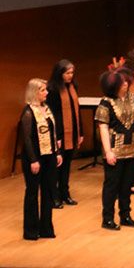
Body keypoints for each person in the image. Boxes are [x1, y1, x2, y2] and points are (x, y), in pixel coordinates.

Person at [96, 70, 134, 230]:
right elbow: (103, 127)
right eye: (122, 82)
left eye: (127, 81)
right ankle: (107, 218)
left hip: (131, 147)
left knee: (127, 185)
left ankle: (125, 215)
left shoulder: (133, 98)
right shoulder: (106, 102)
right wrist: (108, 151)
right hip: (114, 148)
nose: (126, 84)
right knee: (112, 185)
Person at [19, 78, 61, 240]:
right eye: (43, 90)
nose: (47, 92)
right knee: (32, 193)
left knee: (48, 191)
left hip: (49, 156)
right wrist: (33, 160)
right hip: (34, 158)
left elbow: (53, 133)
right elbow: (27, 139)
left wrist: (57, 153)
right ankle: (31, 230)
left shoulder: (47, 109)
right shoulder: (28, 112)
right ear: (35, 92)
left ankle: (46, 229)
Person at [44, 60, 82, 208]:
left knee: (66, 165)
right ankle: (54, 196)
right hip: (59, 134)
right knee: (56, 167)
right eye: (67, 73)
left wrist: (81, 132)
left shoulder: (73, 87)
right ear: (59, 73)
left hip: (72, 132)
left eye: (72, 72)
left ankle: (64, 193)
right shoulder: (52, 89)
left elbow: (76, 111)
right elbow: (52, 115)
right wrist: (57, 136)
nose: (70, 76)